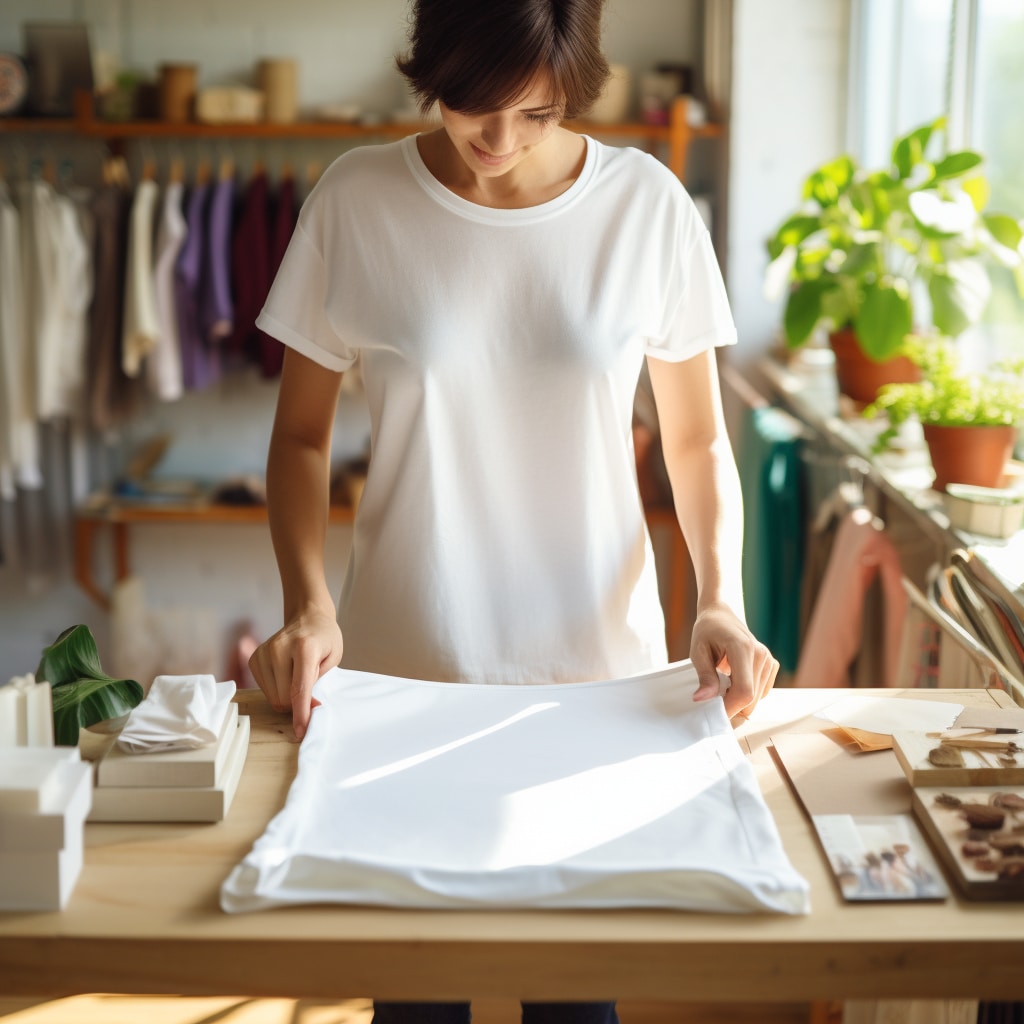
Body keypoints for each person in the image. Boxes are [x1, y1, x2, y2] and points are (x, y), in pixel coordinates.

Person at [249, 1, 780, 1020]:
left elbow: (698, 440)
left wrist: (719, 598)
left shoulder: (647, 206)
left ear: (573, 88)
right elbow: (302, 438)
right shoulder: (356, 199)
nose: (498, 142)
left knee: (576, 1004)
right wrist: (309, 603)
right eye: (470, 108)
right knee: (417, 1005)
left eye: (533, 114)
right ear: (428, 73)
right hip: (405, 680)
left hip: (596, 691)